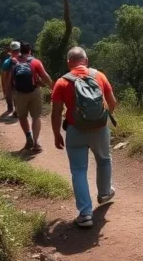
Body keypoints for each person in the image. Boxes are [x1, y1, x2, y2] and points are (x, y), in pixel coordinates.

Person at [51, 46, 119, 228]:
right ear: (86, 60)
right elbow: (112, 102)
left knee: (79, 171)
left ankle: (85, 214)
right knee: (104, 160)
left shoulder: (62, 82)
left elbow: (56, 112)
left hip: (75, 130)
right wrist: (103, 119)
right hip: (100, 129)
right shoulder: (99, 76)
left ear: (68, 63)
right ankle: (104, 193)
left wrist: (57, 133)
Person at [10, 43, 52, 151]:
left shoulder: (14, 62)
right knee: (36, 117)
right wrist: (53, 86)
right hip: (34, 92)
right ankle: (36, 142)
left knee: (22, 116)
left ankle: (28, 136)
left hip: (19, 94)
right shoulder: (35, 62)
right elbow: (45, 76)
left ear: (20, 51)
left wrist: (9, 93)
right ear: (30, 51)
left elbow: (11, 80)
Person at [0, 41, 20, 117]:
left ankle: (10, 107)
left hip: (9, 79)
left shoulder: (7, 62)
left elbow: (4, 76)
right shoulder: (24, 59)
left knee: (8, 90)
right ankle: (15, 108)